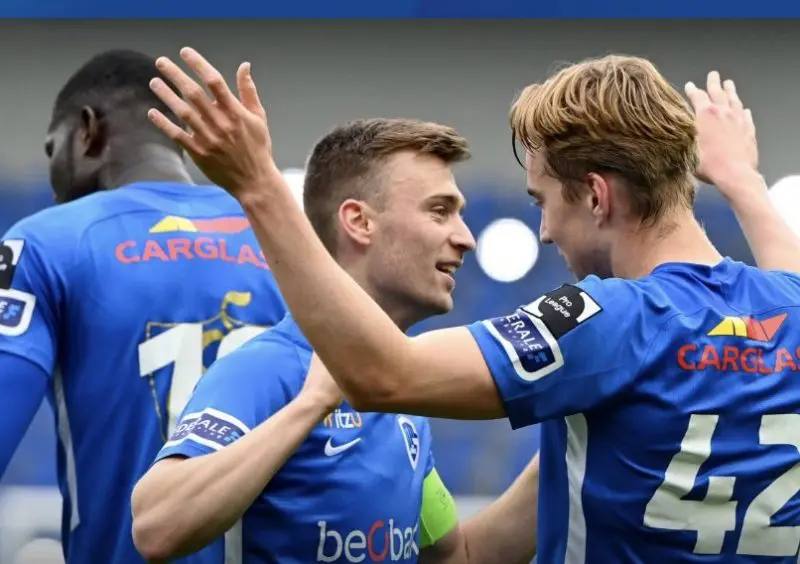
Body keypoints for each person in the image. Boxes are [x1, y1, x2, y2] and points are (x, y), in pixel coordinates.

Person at [147, 48, 800, 563]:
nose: (545, 231)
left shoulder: (610, 319)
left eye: (544, 202)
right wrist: (742, 181)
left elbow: (383, 374)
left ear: (597, 197)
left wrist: (259, 187)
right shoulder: (788, 308)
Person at [131, 117, 539, 564]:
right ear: (359, 222)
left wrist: (566, 446)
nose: (465, 238)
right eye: (439, 211)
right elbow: (156, 527)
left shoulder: (402, 399)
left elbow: (455, 556)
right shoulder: (268, 368)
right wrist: (310, 406)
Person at [0, 49, 287, 563]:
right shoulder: (289, 238)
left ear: (87, 130)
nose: (54, 176)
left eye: (53, 150)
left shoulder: (45, 243)